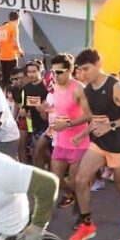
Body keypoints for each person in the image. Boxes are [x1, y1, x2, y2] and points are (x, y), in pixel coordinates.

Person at [66, 49, 120, 240]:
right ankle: (87, 225)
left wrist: (111, 125)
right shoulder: (87, 90)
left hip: (119, 145)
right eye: (80, 70)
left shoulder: (115, 86)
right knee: (80, 180)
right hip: (99, 144)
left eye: (86, 69)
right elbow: (95, 118)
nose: (83, 74)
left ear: (98, 63)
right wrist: (82, 135)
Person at [45, 54, 89, 209]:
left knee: (76, 180)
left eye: (59, 72)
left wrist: (68, 124)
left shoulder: (79, 89)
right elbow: (59, 110)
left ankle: (82, 214)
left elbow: (89, 115)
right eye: (53, 72)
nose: (55, 76)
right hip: (61, 140)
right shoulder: (54, 86)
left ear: (70, 70)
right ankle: (73, 197)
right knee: (55, 177)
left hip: (79, 141)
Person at [18, 61, 50, 167]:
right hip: (35, 125)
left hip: (48, 125)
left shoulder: (46, 88)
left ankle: (51, 170)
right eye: (29, 72)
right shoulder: (27, 88)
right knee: (41, 152)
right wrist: (23, 112)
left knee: (37, 151)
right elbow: (25, 108)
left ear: (40, 71)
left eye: (34, 71)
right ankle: (52, 169)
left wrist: (43, 110)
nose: (31, 74)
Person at [0, 11, 24, 84]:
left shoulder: (2, 28)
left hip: (2, 57)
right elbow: (15, 41)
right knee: (13, 78)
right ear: (17, 19)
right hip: (11, 56)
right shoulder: (14, 27)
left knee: (4, 78)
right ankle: (11, 93)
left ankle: (5, 93)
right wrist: (20, 51)